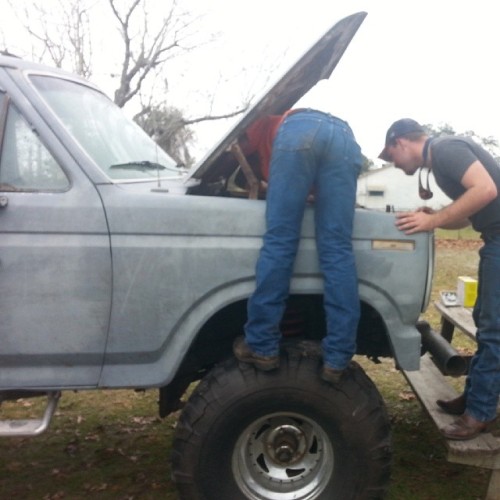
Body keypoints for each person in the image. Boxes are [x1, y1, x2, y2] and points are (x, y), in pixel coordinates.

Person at [379, 118, 500, 440]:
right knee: (484, 321)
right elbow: (466, 211)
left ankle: (480, 413)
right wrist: (433, 218)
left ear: (401, 142)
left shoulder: (445, 148)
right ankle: (477, 399)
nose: (392, 163)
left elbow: (486, 189)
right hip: (494, 238)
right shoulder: (439, 160)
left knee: (493, 329)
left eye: (391, 156)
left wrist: (432, 222)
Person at [232, 108, 363, 384]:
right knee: (338, 248)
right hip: (344, 135)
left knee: (280, 240)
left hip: (299, 127)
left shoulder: (264, 122)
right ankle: (338, 357)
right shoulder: (332, 135)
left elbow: (234, 146)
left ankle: (262, 344)